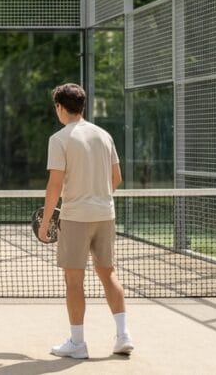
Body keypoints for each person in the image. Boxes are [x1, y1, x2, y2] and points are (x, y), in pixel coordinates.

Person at [40, 83, 131, 359]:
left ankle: (78, 343)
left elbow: (54, 185)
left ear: (59, 107)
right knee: (108, 273)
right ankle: (123, 335)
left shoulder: (59, 139)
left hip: (77, 217)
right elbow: (116, 179)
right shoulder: (104, 135)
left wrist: (45, 223)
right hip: (105, 215)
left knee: (74, 280)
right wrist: (98, 198)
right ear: (82, 106)